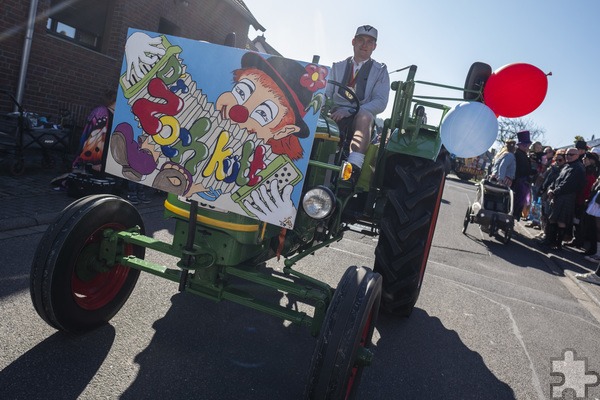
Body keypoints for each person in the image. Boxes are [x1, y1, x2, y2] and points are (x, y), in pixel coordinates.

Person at [325, 25, 390, 186]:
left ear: (374, 47)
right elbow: (326, 93)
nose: (364, 45)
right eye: (360, 40)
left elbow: (380, 102)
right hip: (334, 113)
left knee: (365, 117)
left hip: (360, 116)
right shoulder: (337, 66)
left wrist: (351, 111)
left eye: (369, 42)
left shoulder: (380, 71)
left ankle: (353, 168)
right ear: (353, 42)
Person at [543, 147, 586, 250]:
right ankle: (550, 241)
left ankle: (557, 244)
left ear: (577, 155)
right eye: (567, 154)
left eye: (571, 155)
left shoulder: (578, 168)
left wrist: (554, 191)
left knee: (560, 221)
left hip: (567, 196)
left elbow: (568, 184)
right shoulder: (567, 166)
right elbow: (557, 180)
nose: (568, 156)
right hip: (559, 195)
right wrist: (550, 189)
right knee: (553, 219)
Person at [512, 130, 535, 220]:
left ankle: (513, 219)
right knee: (517, 202)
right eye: (526, 145)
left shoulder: (523, 154)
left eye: (528, 145)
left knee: (520, 203)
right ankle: (512, 220)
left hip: (523, 181)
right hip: (519, 181)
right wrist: (532, 171)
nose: (527, 147)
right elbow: (522, 169)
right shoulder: (518, 154)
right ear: (521, 145)